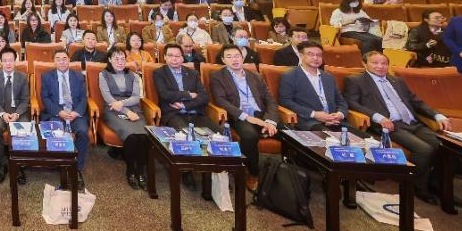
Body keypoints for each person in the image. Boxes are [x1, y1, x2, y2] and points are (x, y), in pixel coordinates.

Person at [344, 51, 455, 204]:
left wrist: (438, 116)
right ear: (364, 64)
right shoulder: (355, 80)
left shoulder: (397, 81)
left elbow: (416, 102)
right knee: (424, 150)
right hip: (390, 125)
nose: (380, 66)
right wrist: (378, 117)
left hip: (413, 123)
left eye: (384, 63)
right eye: (375, 63)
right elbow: (352, 103)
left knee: (446, 146)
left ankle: (438, 185)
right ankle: (418, 187)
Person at [210, 45, 279, 190]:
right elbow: (221, 101)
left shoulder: (255, 76)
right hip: (239, 116)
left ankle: (289, 173)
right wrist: (247, 117)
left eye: (237, 56)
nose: (234, 59)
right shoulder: (217, 76)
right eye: (229, 57)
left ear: (242, 58)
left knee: (291, 133)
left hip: (262, 115)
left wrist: (270, 121)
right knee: (249, 136)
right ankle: (253, 173)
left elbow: (270, 100)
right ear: (223, 60)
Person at [278, 41, 365, 134]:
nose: (315, 58)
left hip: (335, 121)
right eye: (310, 54)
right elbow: (285, 101)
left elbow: (341, 101)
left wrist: (339, 114)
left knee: (364, 139)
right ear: (301, 55)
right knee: (332, 139)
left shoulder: (328, 77)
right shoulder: (290, 76)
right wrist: (314, 114)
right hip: (310, 121)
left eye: (319, 55)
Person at [99, 47, 149, 188]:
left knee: (144, 136)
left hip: (133, 108)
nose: (120, 62)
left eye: (122, 59)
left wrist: (122, 104)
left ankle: (141, 171)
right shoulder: (103, 75)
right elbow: (108, 98)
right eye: (116, 59)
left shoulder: (133, 75)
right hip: (113, 110)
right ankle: (131, 170)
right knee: (131, 136)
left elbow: (136, 97)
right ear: (110, 59)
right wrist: (126, 112)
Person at [39, 50, 90, 186]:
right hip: (56, 112)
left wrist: (76, 112)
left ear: (69, 60)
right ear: (54, 61)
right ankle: (62, 166)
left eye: (64, 58)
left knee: (82, 132)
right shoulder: (47, 77)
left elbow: (83, 98)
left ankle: (77, 168)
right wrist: (59, 111)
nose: (61, 61)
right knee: (58, 133)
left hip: (75, 111)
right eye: (58, 58)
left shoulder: (78, 76)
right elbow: (45, 98)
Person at [0, 45, 30, 182]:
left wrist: (17, 114)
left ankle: (19, 163)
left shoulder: (22, 77)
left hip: (18, 111)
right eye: (5, 61)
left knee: (24, 128)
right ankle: (2, 162)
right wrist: (2, 113)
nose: (8, 63)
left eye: (11, 60)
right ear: (0, 62)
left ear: (15, 61)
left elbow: (25, 100)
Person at [153, 43, 220, 133]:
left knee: (221, 134)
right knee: (187, 135)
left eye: (177, 56)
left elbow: (204, 97)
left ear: (182, 57)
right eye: (170, 55)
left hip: (195, 113)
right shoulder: (159, 73)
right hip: (174, 114)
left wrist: (185, 105)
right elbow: (165, 94)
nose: (174, 59)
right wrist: (188, 95)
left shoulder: (193, 73)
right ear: (165, 57)